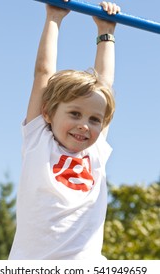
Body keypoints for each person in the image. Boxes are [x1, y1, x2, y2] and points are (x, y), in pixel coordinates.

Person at [9, 1, 121, 260]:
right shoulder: (38, 139)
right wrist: (54, 16)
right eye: (74, 114)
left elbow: (106, 84)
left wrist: (106, 33)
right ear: (47, 112)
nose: (85, 124)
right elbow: (43, 73)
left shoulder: (96, 152)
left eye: (95, 119)